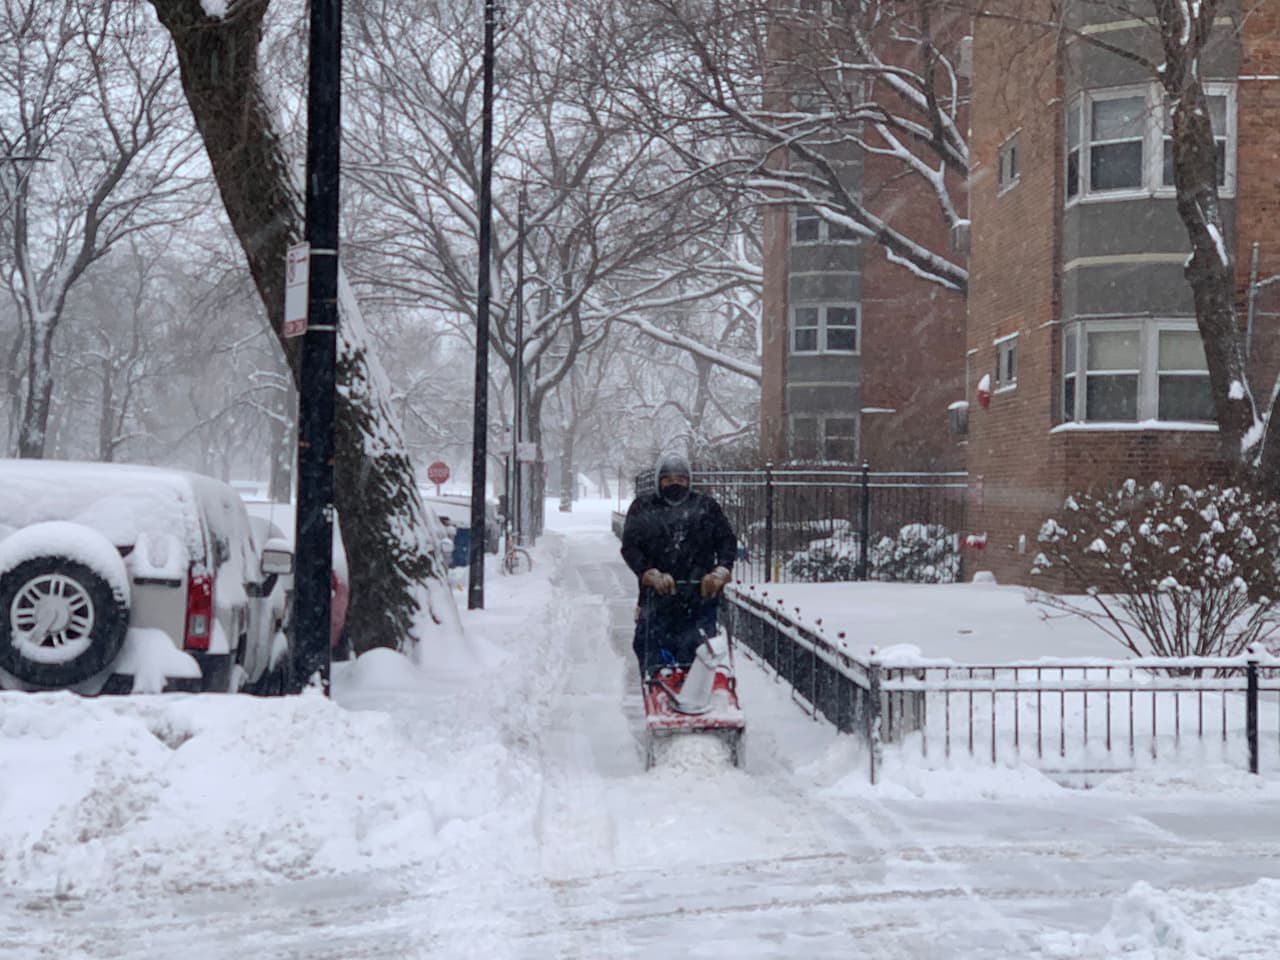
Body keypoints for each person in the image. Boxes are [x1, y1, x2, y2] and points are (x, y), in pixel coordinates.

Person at [620, 451, 737, 674]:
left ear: (689, 480)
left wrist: (720, 571)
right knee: (650, 653)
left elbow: (726, 541)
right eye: (668, 479)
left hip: (700, 599)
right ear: (658, 481)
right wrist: (648, 572)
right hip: (657, 600)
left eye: (681, 479)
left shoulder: (706, 508)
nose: (675, 484)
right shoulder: (643, 508)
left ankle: (699, 698)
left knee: (698, 657)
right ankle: (661, 688)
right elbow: (630, 546)